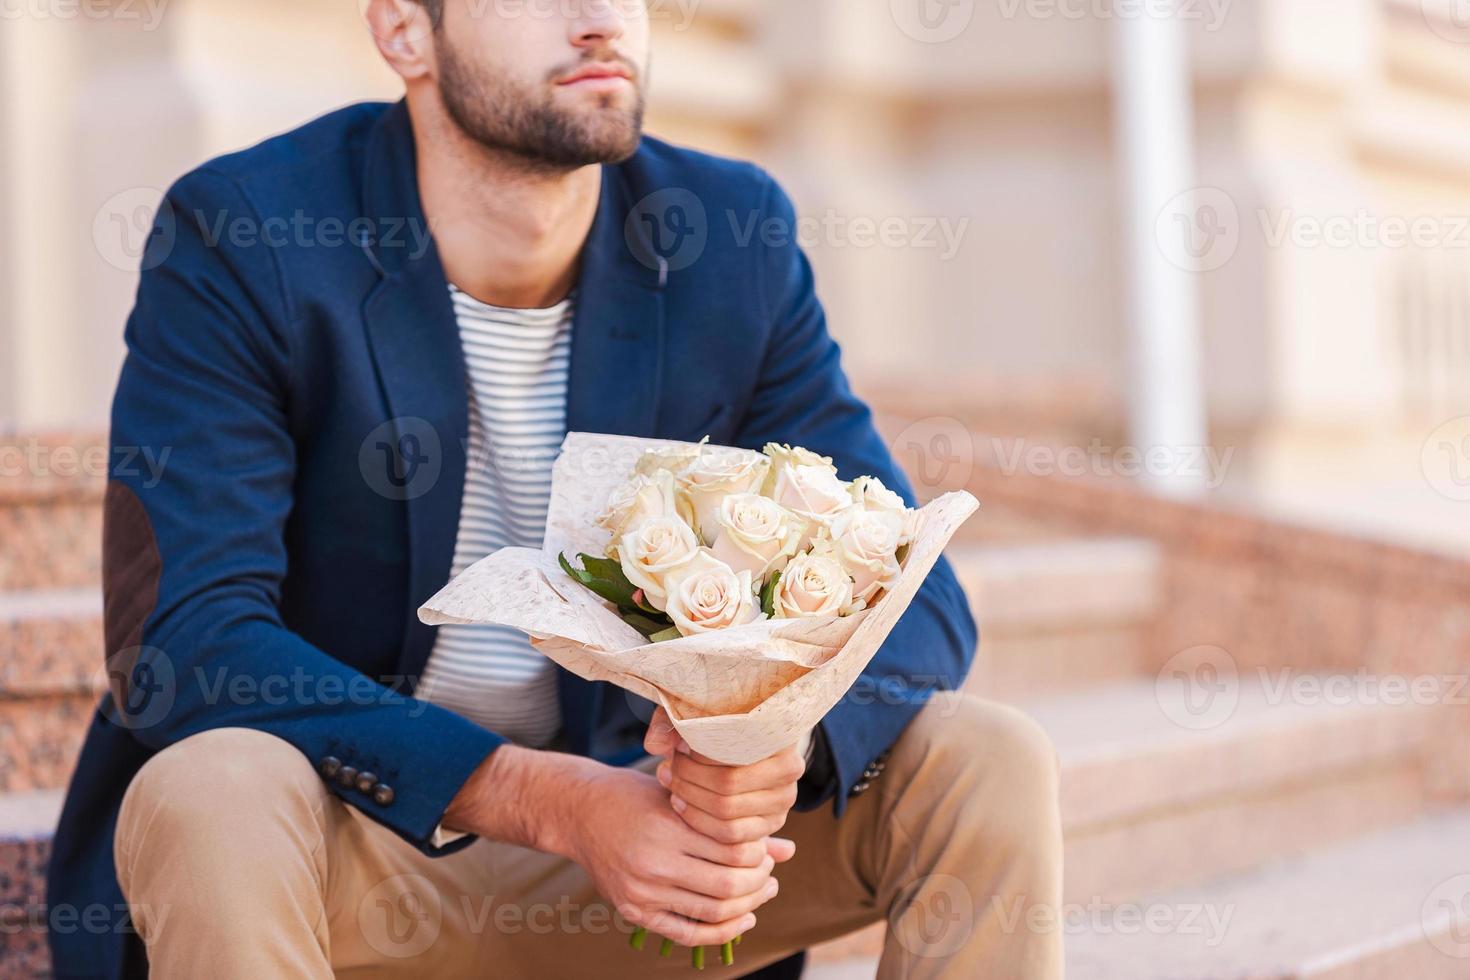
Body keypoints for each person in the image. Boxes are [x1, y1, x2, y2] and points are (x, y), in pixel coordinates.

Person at [46, 2, 1063, 977]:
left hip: (648, 861)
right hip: (361, 851)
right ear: (405, 27)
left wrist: (773, 747)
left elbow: (911, 586)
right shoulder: (247, 234)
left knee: (984, 758)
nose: (601, 17)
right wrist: (545, 799)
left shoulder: (724, 238)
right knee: (212, 782)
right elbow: (186, 641)